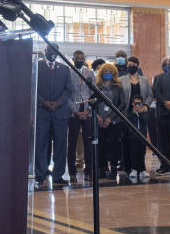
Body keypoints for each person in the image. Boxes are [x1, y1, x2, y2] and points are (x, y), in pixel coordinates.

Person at [35, 46, 73, 186]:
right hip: (42, 112)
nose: (52, 54)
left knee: (60, 146)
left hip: (60, 113)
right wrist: (43, 102)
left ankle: (58, 175)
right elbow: (31, 86)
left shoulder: (64, 69)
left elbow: (68, 90)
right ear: (45, 52)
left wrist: (58, 103)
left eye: (54, 52)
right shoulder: (36, 66)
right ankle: (40, 174)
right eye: (49, 51)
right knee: (40, 144)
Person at [120, 56, 152, 172]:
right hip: (126, 114)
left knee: (141, 141)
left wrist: (146, 106)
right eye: (129, 65)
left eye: (133, 65)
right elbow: (119, 96)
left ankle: (141, 167)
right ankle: (128, 167)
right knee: (126, 140)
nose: (131, 67)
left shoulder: (144, 80)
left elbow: (149, 95)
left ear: (137, 66)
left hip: (141, 115)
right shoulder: (122, 79)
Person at [67, 50, 94, 181]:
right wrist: (75, 111)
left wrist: (88, 109)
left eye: (82, 58)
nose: (79, 60)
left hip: (87, 111)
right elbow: (66, 93)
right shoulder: (68, 72)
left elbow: (93, 93)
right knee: (71, 143)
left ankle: (88, 171)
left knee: (88, 142)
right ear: (73, 59)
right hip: (74, 112)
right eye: (77, 58)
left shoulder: (90, 73)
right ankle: (72, 173)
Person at [95, 63, 126, 179]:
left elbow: (122, 104)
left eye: (110, 71)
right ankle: (102, 169)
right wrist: (97, 116)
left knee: (114, 145)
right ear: (101, 73)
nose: (107, 73)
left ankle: (113, 168)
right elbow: (91, 102)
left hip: (113, 121)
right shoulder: (96, 86)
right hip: (99, 121)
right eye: (105, 71)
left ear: (114, 73)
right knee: (101, 145)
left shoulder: (118, 86)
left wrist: (110, 118)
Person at [124, 95, 150, 182]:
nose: (138, 105)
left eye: (139, 103)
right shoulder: (130, 114)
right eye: (136, 103)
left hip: (142, 137)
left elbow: (145, 121)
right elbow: (127, 123)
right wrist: (134, 113)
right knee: (133, 153)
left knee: (142, 153)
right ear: (132, 104)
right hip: (132, 137)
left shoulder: (144, 113)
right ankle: (134, 169)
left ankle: (142, 169)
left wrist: (140, 113)